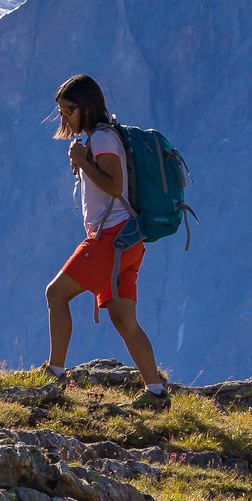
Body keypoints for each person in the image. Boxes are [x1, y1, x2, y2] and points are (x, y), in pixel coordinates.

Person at [41, 74, 169, 408]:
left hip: (111, 239)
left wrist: (84, 161)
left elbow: (114, 185)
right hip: (129, 241)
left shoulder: (101, 140)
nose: (64, 118)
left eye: (68, 111)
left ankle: (54, 374)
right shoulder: (102, 137)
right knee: (124, 320)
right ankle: (155, 393)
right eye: (61, 112)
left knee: (55, 295)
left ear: (85, 107)